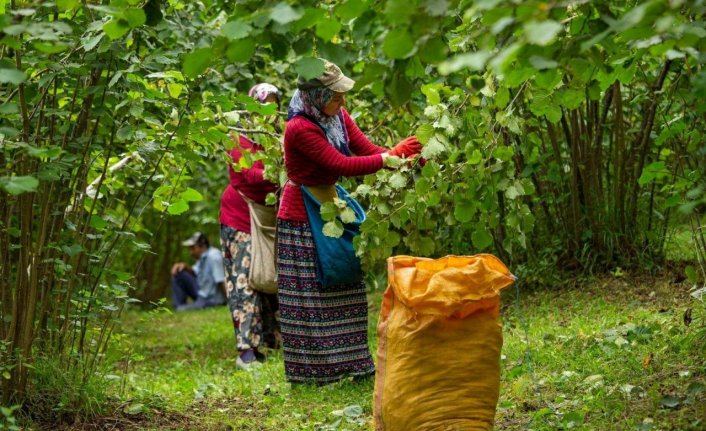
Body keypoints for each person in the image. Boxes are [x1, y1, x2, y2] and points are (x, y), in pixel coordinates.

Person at [277, 60, 422, 384]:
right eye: (336, 95)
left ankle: (353, 364)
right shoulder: (299, 128)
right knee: (313, 292)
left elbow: (368, 150)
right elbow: (341, 163)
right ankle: (315, 373)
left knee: (345, 279)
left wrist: (402, 158)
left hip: (331, 205)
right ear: (316, 95)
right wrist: (388, 158)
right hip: (302, 213)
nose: (343, 101)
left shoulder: (337, 117)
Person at [219, 83, 282, 370]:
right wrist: (281, 170)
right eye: (262, 105)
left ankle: (273, 340)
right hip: (240, 218)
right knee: (246, 280)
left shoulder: (276, 138)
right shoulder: (239, 140)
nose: (267, 111)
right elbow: (250, 175)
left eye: (273, 105)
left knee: (271, 278)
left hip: (269, 219)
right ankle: (246, 350)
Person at [170, 232, 226, 311]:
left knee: (181, 310)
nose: (191, 252)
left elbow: (221, 281)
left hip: (211, 300)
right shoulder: (203, 257)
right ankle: (179, 305)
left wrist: (230, 302)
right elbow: (195, 272)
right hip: (202, 293)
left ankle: (180, 308)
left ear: (202, 246)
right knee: (179, 274)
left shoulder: (213, 257)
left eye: (193, 248)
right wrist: (184, 266)